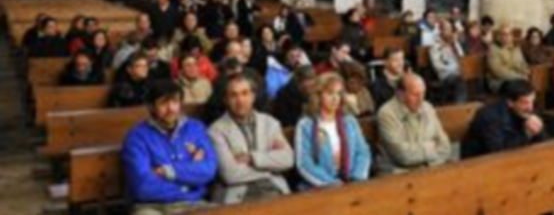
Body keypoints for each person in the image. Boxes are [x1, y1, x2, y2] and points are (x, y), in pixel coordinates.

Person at [121, 80, 218, 215]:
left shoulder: (195, 128)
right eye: (163, 103)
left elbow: (209, 170)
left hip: (194, 203)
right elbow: (142, 186)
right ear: (151, 106)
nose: (171, 108)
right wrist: (188, 184)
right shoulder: (137, 137)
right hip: (152, 207)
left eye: (175, 102)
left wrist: (168, 171)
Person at [209, 74, 293, 204]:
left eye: (245, 93)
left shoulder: (270, 123)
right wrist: (269, 168)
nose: (240, 100)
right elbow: (230, 175)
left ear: (253, 96)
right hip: (239, 195)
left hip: (274, 188)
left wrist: (253, 158)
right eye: (233, 95)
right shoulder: (216, 131)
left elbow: (288, 159)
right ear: (225, 99)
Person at [294, 73, 371, 188]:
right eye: (330, 93)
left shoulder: (350, 121)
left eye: (339, 94)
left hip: (352, 182)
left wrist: (357, 178)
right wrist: (331, 184)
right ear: (319, 95)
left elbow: (363, 152)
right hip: (320, 186)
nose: (335, 98)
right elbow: (304, 164)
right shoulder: (306, 125)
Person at [376, 73, 451, 175]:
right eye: (415, 94)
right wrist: (430, 148)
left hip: (430, 168)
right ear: (400, 94)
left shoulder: (428, 108)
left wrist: (428, 165)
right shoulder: (387, 114)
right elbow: (402, 155)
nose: (421, 99)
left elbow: (445, 146)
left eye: (423, 93)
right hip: (399, 174)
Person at [461, 79, 546, 159]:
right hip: (478, 162)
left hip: (513, 158)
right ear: (510, 103)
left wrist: (538, 131)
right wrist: (526, 134)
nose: (530, 107)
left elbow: (543, 143)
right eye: (525, 102)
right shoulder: (489, 116)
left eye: (532, 101)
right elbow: (499, 151)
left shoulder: (527, 110)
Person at [429, 20, 468, 103]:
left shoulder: (454, 43)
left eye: (450, 29)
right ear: (441, 31)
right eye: (447, 29)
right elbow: (437, 66)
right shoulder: (435, 46)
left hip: (458, 74)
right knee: (460, 81)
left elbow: (462, 57)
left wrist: (455, 44)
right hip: (445, 76)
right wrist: (454, 69)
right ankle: (459, 109)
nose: (449, 32)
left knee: (468, 78)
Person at [487, 24, 529, 93]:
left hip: (517, 79)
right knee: (518, 88)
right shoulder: (493, 49)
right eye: (503, 34)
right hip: (499, 82)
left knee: (530, 87)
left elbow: (522, 63)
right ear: (499, 36)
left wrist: (525, 71)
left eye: (509, 34)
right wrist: (520, 77)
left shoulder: (516, 48)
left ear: (512, 36)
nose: (506, 37)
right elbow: (499, 72)